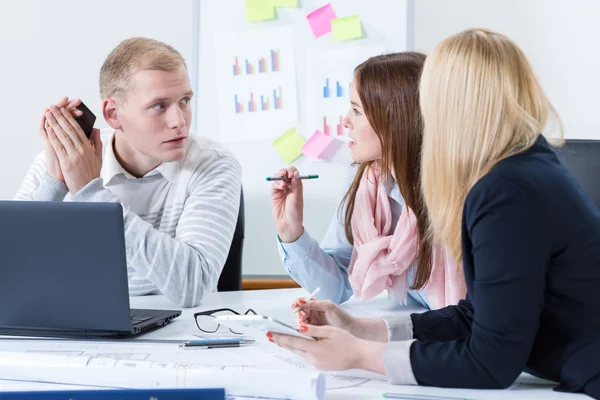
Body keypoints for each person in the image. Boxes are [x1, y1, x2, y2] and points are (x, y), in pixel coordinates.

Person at [269, 29, 600, 398]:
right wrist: (361, 329)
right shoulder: (522, 169)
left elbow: (491, 362)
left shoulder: (504, 192)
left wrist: (362, 355)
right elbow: (475, 316)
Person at [15, 38, 241, 308]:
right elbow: (11, 270)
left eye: (184, 101)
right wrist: (54, 185)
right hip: (74, 324)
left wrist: (91, 192)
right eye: (159, 106)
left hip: (178, 332)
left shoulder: (213, 164)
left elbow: (193, 286)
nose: (179, 121)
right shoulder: (60, 163)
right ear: (113, 115)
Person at [271, 52, 466, 310]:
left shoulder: (458, 192)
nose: (345, 121)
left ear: (395, 119)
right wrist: (291, 232)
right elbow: (336, 288)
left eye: (356, 110)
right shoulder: (366, 182)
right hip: (417, 334)